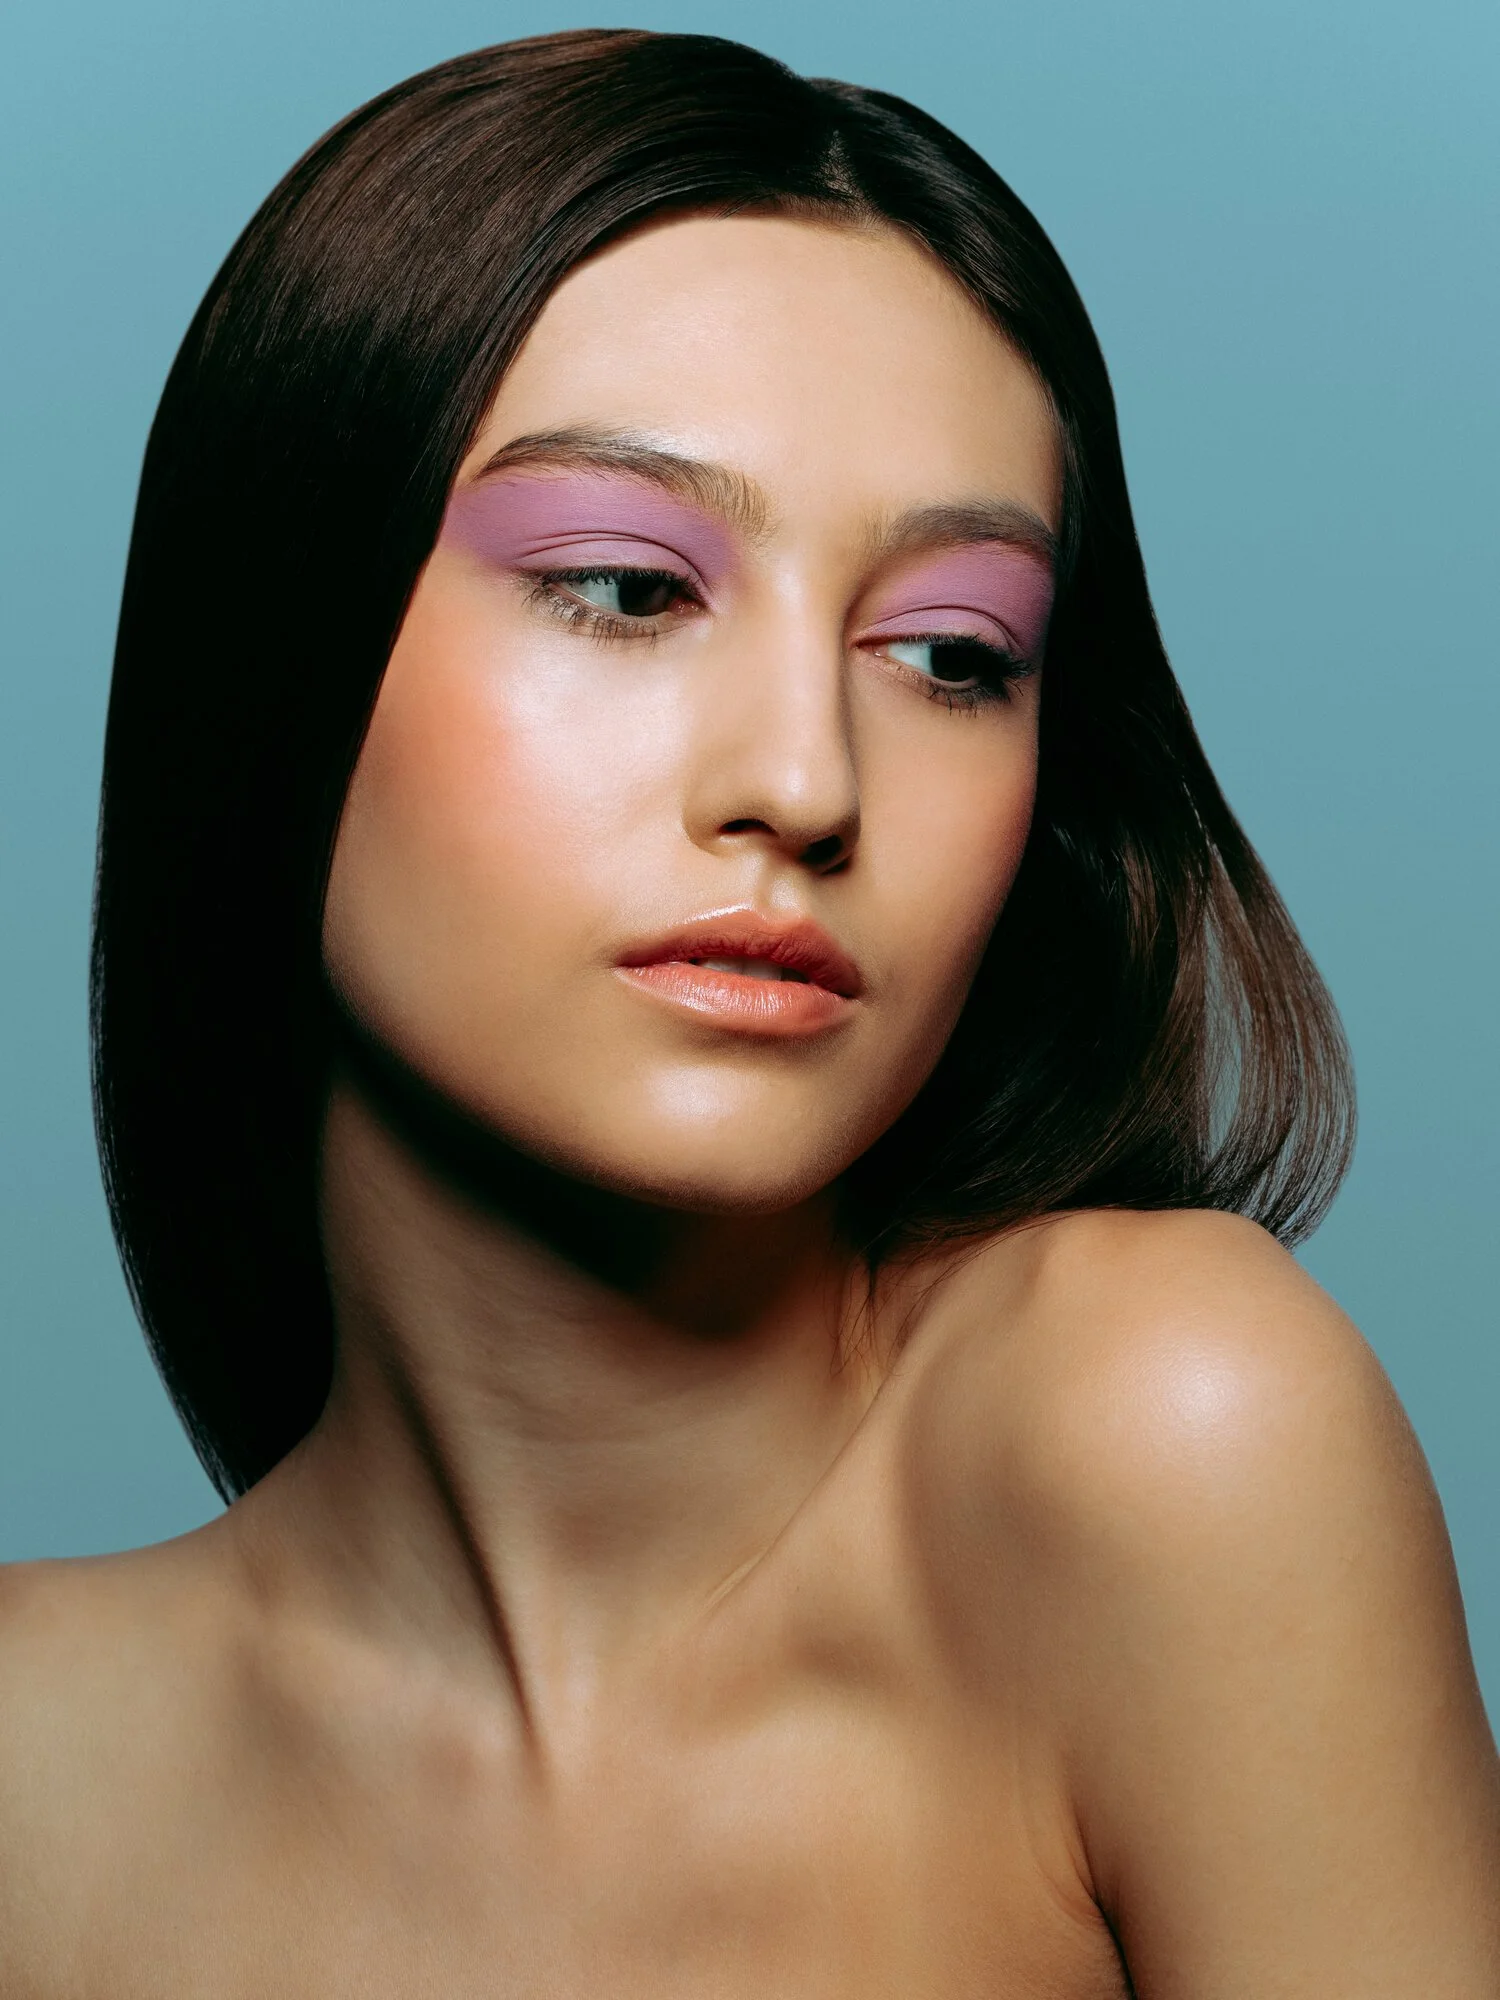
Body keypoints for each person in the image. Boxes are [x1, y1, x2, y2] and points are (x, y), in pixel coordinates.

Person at [1, 27, 1495, 1996]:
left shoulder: (1157, 1441)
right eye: (626, 589)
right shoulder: (36, 1765)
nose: (806, 778)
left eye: (954, 650)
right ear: (281, 631)